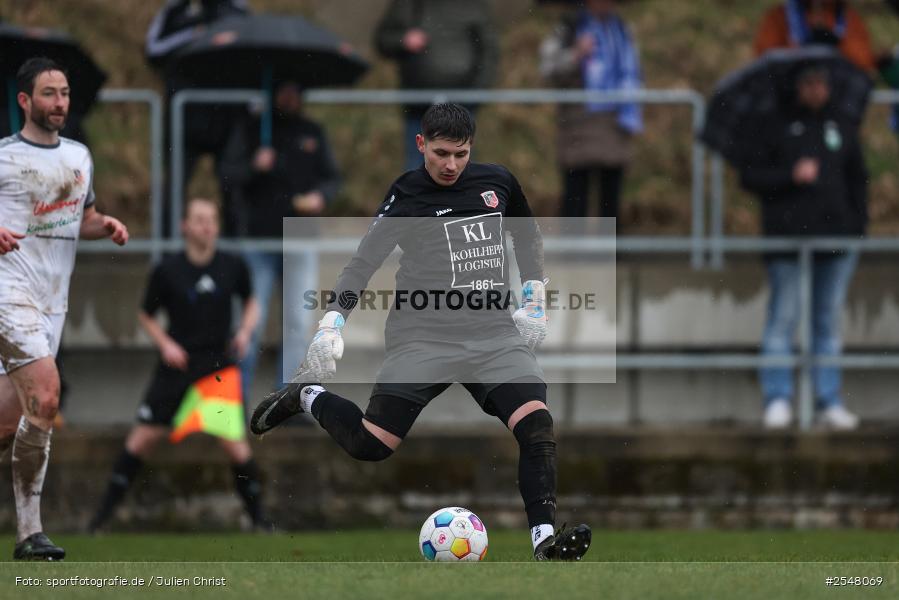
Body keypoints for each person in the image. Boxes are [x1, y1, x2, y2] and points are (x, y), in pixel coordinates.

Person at [250, 104, 591, 561]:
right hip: (422, 336)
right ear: (421, 145)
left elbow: (526, 237)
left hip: (492, 335)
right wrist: (331, 324)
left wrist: (532, 295)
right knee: (372, 445)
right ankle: (306, 396)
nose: (451, 165)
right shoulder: (406, 196)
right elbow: (361, 265)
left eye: (461, 154)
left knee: (537, 426)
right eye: (441, 153)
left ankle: (544, 542)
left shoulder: (498, 183)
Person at [0, 57, 129, 560]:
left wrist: (107, 225)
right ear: (25, 101)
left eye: (65, 93)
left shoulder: (78, 156)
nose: (60, 103)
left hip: (53, 303)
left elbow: (84, 217)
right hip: (9, 295)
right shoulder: (4, 157)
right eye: (49, 94)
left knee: (11, 424)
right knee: (48, 397)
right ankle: (30, 534)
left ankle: (30, 532)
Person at [88, 197, 268, 532]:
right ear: (185, 226)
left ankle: (260, 521)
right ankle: (99, 521)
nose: (207, 226)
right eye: (199, 219)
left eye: (211, 219)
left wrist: (244, 331)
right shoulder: (168, 270)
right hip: (178, 366)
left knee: (235, 445)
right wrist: (166, 344)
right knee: (141, 439)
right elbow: (145, 315)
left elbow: (252, 301)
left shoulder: (232, 265)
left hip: (216, 370)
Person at [738, 66, 866, 430]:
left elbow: (858, 178)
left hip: (834, 240)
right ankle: (778, 398)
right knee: (783, 321)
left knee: (826, 322)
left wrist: (857, 228)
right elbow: (751, 176)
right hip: (787, 240)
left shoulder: (841, 123)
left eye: (822, 82)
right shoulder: (774, 124)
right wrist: (790, 175)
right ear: (797, 86)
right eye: (809, 82)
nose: (816, 89)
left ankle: (828, 400)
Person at [219, 81, 340, 403]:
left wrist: (320, 197)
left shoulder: (313, 131)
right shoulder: (253, 130)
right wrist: (253, 166)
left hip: (300, 239)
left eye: (294, 90)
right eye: (283, 90)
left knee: (299, 324)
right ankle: (236, 401)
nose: (290, 96)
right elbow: (227, 175)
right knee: (248, 324)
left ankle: (288, 401)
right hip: (258, 239)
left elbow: (332, 178)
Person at [145, 0, 251, 235]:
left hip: (229, 116)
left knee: (233, 185)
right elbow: (153, 51)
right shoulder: (175, 10)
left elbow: (252, 53)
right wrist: (194, 35)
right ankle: (168, 251)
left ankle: (235, 255)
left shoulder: (239, 12)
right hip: (183, 117)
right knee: (174, 186)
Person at [540, 0, 642, 225]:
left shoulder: (622, 30)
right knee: (576, 191)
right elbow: (548, 69)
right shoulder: (568, 29)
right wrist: (575, 54)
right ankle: (574, 253)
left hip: (615, 123)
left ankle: (612, 252)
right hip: (578, 124)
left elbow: (632, 73)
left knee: (611, 194)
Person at [374, 0, 499, 171]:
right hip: (418, 105)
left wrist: (478, 90)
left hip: (462, 103)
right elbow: (382, 40)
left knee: (459, 168)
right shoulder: (405, 5)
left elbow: (489, 49)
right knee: (417, 168)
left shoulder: (472, 5)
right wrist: (403, 40)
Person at [754, 0, 876, 73]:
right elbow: (765, 60)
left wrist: (838, 44)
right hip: (791, 93)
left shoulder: (849, 18)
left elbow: (863, 62)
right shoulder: (780, 16)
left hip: (837, 92)